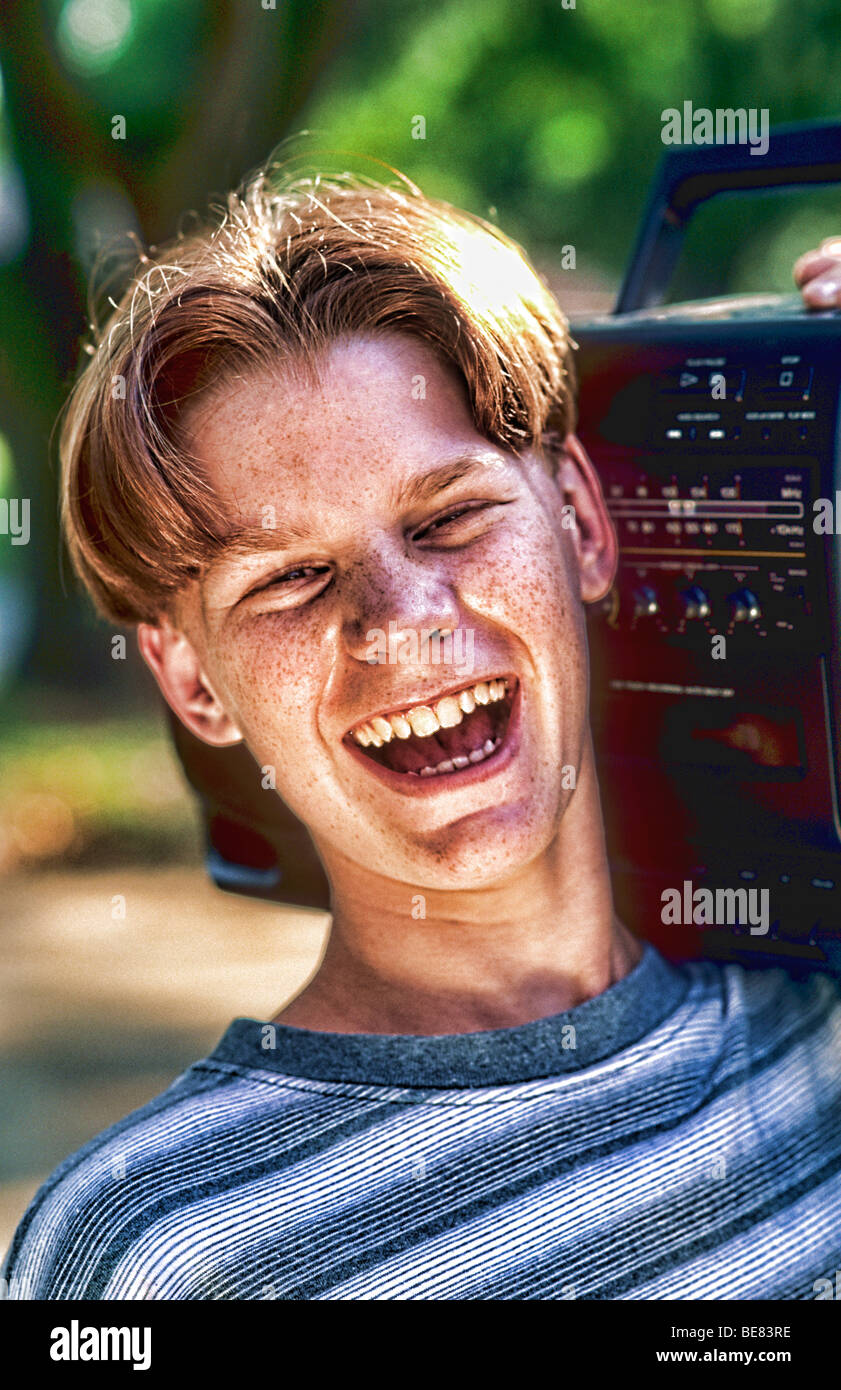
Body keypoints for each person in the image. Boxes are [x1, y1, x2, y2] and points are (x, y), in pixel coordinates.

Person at [3, 172, 841, 1300]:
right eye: (292, 578)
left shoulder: (819, 1020)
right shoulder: (154, 1252)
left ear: (581, 523)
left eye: (448, 518)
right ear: (192, 678)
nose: (403, 623)